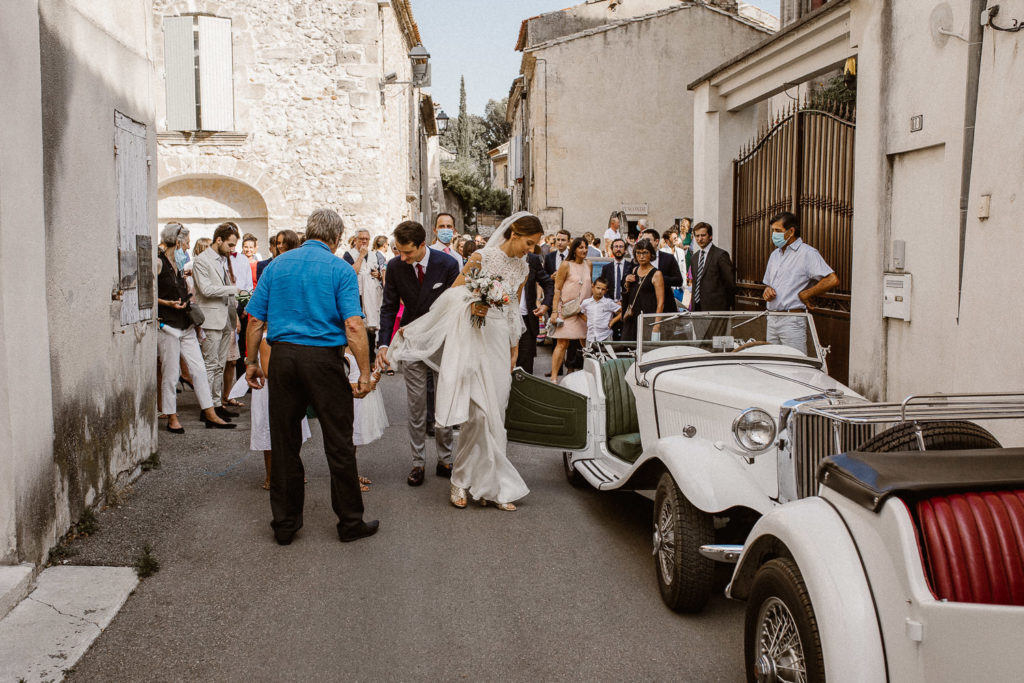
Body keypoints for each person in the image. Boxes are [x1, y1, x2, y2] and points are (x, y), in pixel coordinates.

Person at [386, 212, 544, 511]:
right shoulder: (483, 257)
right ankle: (459, 480)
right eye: (529, 242)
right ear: (514, 234)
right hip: (475, 338)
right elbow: (453, 294)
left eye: (535, 245)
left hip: (499, 341)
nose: (531, 249)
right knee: (478, 415)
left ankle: (491, 487)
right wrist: (476, 303)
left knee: (496, 413)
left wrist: (514, 347)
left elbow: (513, 311)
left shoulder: (523, 268)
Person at [244, 208, 378, 545]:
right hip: (323, 360)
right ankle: (350, 521)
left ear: (308, 231)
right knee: (338, 441)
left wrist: (250, 362)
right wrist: (364, 372)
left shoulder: (276, 265)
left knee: (285, 441)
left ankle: (285, 525)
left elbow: (255, 320)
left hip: (284, 358)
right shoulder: (340, 269)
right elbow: (353, 324)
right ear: (335, 239)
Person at [375, 221, 460, 486]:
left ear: (423, 245)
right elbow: (388, 307)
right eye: (399, 251)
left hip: (441, 343)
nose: (403, 257)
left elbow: (455, 308)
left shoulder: (448, 265)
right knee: (416, 406)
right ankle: (418, 463)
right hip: (411, 341)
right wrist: (383, 344)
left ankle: (445, 459)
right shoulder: (395, 267)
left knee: (444, 403)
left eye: (407, 252)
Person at [156, 223, 234, 433]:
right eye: (187, 243)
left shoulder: (178, 265)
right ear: (178, 241)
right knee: (171, 374)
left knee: (199, 370)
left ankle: (210, 413)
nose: (189, 248)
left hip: (186, 324)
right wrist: (167, 304)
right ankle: (172, 417)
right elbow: (148, 294)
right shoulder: (158, 262)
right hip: (168, 326)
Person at [763, 211, 839, 352]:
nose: (774, 235)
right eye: (773, 231)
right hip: (772, 318)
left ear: (791, 231)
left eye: (778, 231)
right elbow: (769, 284)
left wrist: (806, 293)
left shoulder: (807, 253)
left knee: (795, 365)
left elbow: (832, 279)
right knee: (772, 364)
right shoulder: (775, 255)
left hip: (792, 320)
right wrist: (767, 291)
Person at [192, 223, 243, 422]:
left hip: (225, 318)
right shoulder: (202, 260)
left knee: (220, 365)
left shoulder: (222, 260)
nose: (233, 249)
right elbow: (205, 289)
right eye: (230, 245)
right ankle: (208, 409)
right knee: (210, 365)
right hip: (211, 319)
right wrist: (233, 290)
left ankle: (217, 404)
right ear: (219, 240)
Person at [549, 237, 592, 381]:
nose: (584, 250)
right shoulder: (566, 265)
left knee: (586, 343)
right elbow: (557, 289)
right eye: (580, 247)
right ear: (574, 249)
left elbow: (589, 287)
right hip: (567, 310)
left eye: (586, 247)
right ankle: (554, 378)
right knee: (562, 343)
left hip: (583, 311)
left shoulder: (589, 264)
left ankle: (589, 376)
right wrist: (555, 311)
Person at [614, 239, 665, 342]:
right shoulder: (634, 270)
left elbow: (661, 303)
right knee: (628, 347)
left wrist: (657, 324)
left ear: (651, 254)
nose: (641, 256)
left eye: (645, 253)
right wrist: (627, 284)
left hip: (647, 318)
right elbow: (630, 293)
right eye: (638, 253)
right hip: (632, 317)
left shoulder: (656, 274)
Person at [343, 228, 383, 355]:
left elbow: (378, 273)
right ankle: (356, 355)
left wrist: (378, 275)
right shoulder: (349, 255)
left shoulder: (373, 255)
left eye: (366, 239)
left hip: (371, 294)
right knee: (358, 325)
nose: (364, 241)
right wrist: (360, 256)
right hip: (358, 294)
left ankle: (371, 355)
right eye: (361, 239)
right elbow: (350, 273)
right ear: (355, 240)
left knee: (371, 326)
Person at [517, 251, 554, 374]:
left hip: (527, 319)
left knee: (525, 363)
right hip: (503, 320)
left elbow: (548, 283)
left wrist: (545, 304)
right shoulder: (499, 257)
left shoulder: (532, 259)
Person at [690, 222, 735, 312]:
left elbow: (730, 284)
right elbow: (695, 283)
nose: (700, 239)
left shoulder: (721, 255)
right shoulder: (694, 258)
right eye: (697, 236)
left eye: (703, 235)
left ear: (710, 236)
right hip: (697, 308)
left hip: (716, 308)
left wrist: (726, 306)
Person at [640, 227, 682, 312]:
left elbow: (678, 280)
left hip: (665, 305)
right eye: (643, 241)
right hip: (645, 306)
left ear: (656, 241)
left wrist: (660, 279)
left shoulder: (668, 258)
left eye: (648, 240)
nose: (645, 243)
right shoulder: (638, 259)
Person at [581, 277, 620, 345]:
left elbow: (622, 311)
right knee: (589, 355)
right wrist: (588, 321)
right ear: (593, 286)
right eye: (598, 288)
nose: (600, 291)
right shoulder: (586, 302)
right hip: (590, 336)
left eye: (603, 289)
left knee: (606, 355)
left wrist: (613, 321)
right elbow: (579, 312)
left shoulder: (608, 302)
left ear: (606, 290)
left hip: (605, 336)